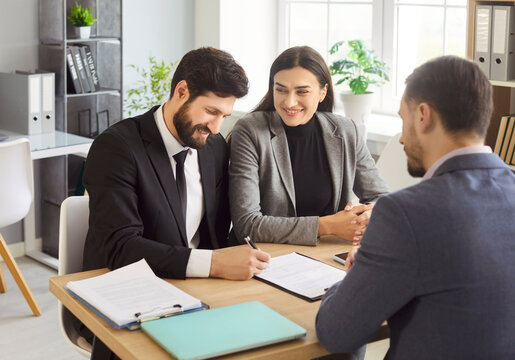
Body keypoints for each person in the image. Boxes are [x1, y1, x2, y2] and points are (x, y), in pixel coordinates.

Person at [316, 56, 515, 359]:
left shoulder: (405, 213)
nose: (402, 139)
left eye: (402, 119)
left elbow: (336, 331)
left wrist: (350, 282)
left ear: (423, 115)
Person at [83, 47, 270, 281]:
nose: (215, 127)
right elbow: (120, 248)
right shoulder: (116, 148)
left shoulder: (214, 147)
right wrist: (213, 264)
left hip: (197, 287)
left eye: (224, 116)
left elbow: (215, 234)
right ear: (181, 91)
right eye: (211, 111)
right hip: (127, 286)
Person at [229, 46, 388, 246]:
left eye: (302, 91)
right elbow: (247, 225)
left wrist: (368, 214)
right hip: (266, 256)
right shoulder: (250, 130)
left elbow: (381, 198)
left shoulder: (346, 130)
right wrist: (328, 225)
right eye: (280, 90)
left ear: (322, 93)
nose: (290, 102)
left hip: (325, 253)